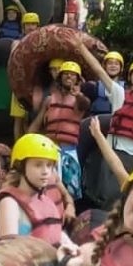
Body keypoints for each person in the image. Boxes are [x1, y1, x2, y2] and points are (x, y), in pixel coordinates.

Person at [0, 133, 76, 248]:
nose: (45, 171)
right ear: (20, 167)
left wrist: (69, 245)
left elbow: (54, 234)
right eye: (38, 165)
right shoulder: (9, 204)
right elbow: (8, 254)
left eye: (49, 165)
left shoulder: (46, 202)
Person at [30, 59, 90, 200]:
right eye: (66, 74)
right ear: (60, 77)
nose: (69, 77)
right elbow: (36, 125)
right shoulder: (49, 100)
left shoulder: (80, 100)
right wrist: (25, 140)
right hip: (50, 150)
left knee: (69, 194)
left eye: (73, 75)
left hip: (69, 152)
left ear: (78, 79)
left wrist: (78, 94)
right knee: (47, 191)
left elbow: (85, 104)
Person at [8, 10, 41, 141]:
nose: (31, 27)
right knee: (19, 119)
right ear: (23, 27)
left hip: (35, 85)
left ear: (38, 26)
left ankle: (29, 147)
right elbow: (13, 61)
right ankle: (17, 147)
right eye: (28, 24)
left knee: (32, 118)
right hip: (20, 85)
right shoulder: (17, 43)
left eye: (33, 24)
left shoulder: (41, 43)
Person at [81, 50, 125, 119]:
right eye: (110, 63)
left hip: (116, 124)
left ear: (121, 68)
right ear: (104, 66)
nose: (113, 66)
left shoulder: (126, 88)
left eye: (116, 64)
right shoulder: (93, 87)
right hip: (97, 123)